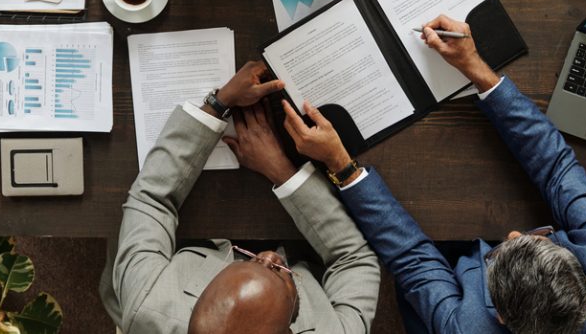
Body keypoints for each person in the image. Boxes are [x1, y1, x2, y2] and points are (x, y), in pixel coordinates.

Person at [280, 16, 586, 334]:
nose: (511, 233)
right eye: (534, 241)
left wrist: (342, 166)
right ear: (585, 280)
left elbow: (412, 258)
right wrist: (476, 68)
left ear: (502, 318)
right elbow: (557, 166)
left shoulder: (467, 326)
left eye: (504, 249)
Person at [100, 61, 381, 333]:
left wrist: (218, 103)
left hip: (194, 233)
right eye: (279, 274)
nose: (269, 255)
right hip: (306, 245)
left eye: (255, 261)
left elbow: (150, 198)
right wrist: (281, 170)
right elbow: (353, 257)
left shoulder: (150, 305)